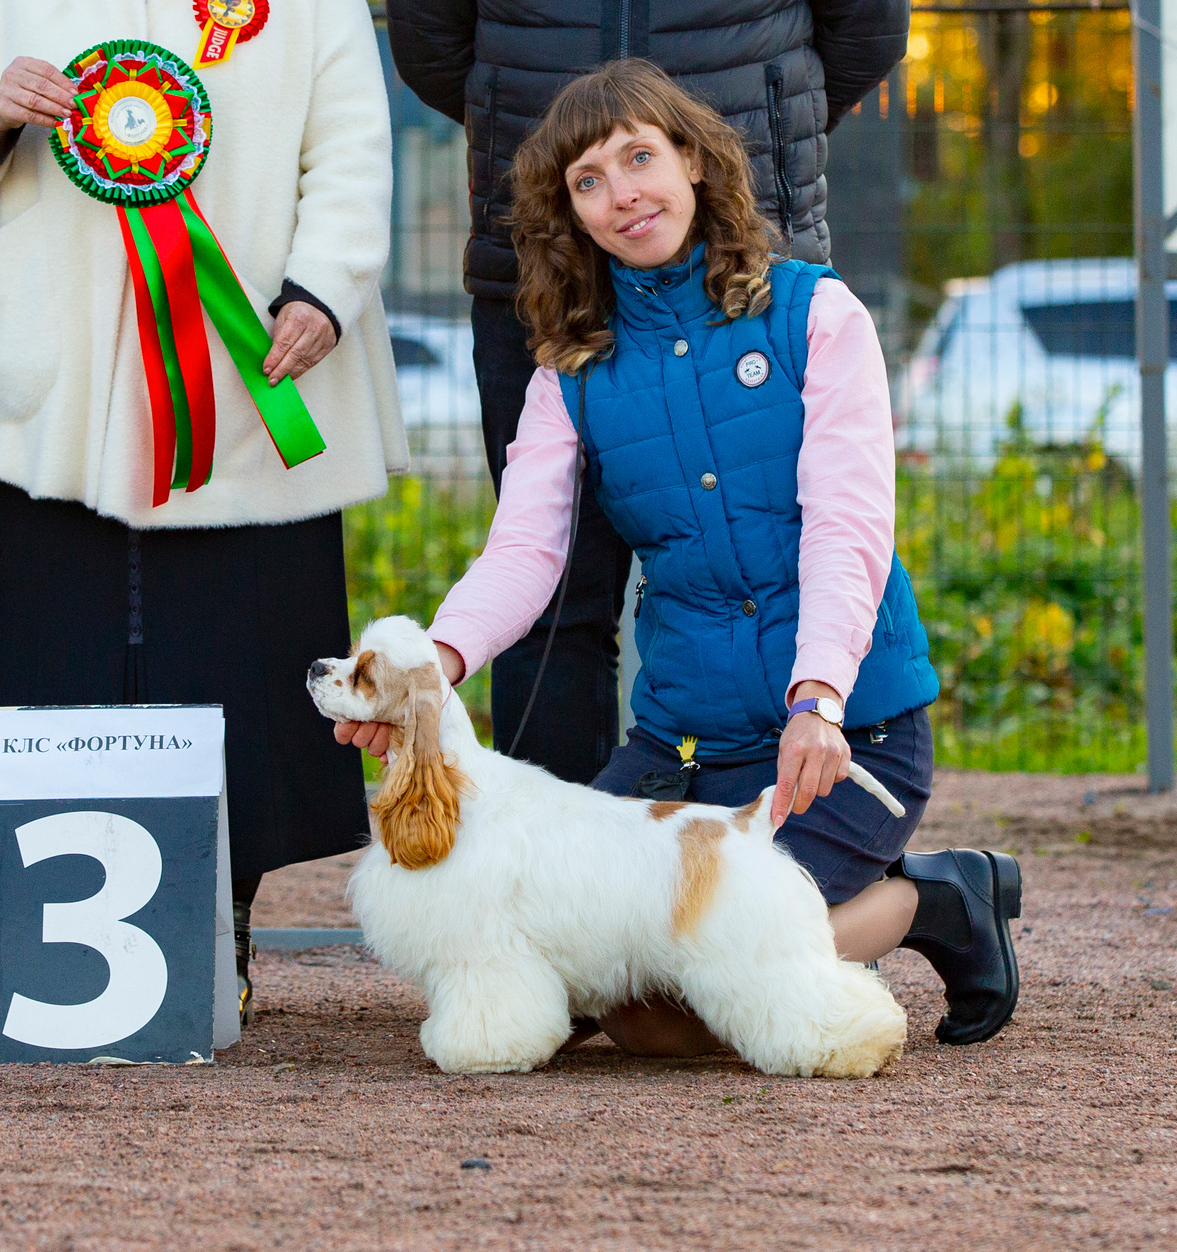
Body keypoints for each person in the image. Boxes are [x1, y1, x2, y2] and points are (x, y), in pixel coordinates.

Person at [0, 0, 405, 1018]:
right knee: (62, 651)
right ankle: (56, 947)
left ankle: (213, 938)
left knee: (230, 650)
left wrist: (321, 286)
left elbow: (352, 144)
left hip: (248, 368)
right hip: (61, 380)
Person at [335, 60, 1020, 1050]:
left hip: (842, 734)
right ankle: (859, 916)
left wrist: (819, 695)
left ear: (693, 162)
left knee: (694, 1002)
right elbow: (523, 549)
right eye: (588, 182)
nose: (622, 196)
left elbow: (848, 524)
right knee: (595, 988)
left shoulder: (815, 315)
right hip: (681, 745)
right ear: (568, 215)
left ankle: (937, 900)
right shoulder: (571, 369)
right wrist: (426, 675)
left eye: (639, 159)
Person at [385, 0, 912, 789]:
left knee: (758, 565)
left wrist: (729, 175)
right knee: (554, 586)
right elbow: (433, 49)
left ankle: (779, 855)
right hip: (544, 284)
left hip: (749, 278)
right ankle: (553, 909)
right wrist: (566, 180)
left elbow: (864, 32)